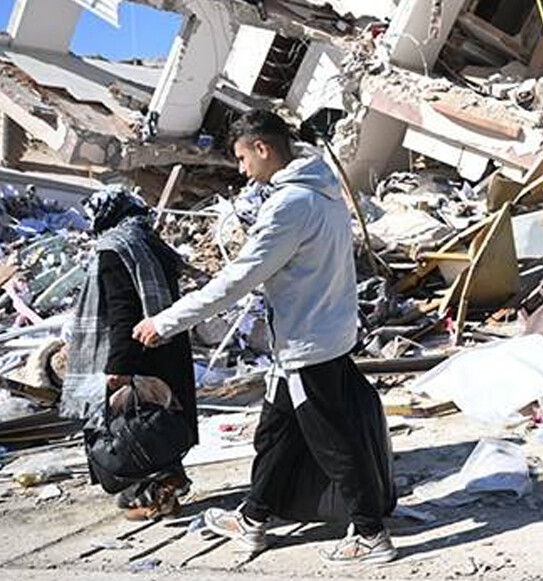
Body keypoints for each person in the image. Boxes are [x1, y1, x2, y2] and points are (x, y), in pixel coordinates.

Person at [131, 110, 396, 565]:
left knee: (334, 441)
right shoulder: (325, 190)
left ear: (262, 148)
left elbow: (237, 279)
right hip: (317, 335)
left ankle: (370, 534)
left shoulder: (291, 205)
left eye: (240, 158)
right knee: (275, 435)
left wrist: (167, 321)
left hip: (306, 345)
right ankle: (254, 518)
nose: (240, 169)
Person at [65, 187, 197, 520]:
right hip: (167, 347)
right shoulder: (149, 242)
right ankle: (168, 484)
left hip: (139, 350)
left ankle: (154, 499)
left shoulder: (114, 249)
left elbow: (123, 310)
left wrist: (118, 366)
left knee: (131, 428)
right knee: (157, 423)